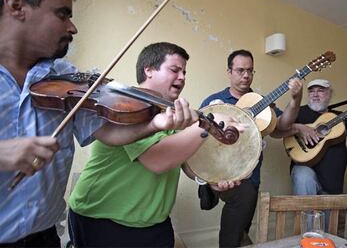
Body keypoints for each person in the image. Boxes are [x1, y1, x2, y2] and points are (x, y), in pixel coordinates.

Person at [0, 0, 196, 247]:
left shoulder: (65, 76)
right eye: (62, 14)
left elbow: (109, 133)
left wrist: (154, 124)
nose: (73, 26)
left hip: (44, 235)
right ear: (16, 7)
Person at [68, 42, 243, 247]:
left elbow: (183, 161)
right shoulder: (125, 106)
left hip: (154, 222)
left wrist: (207, 179)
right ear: (148, 70)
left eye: (184, 72)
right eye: (175, 70)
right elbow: (158, 160)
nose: (182, 77)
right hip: (103, 219)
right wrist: (210, 123)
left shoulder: (172, 110)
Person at [199, 49, 303, 247]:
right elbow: (200, 138)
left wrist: (296, 99)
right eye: (240, 70)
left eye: (250, 70)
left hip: (249, 173)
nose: (246, 75)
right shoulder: (215, 101)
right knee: (243, 197)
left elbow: (282, 126)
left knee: (242, 222)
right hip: (220, 171)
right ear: (229, 72)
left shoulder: (261, 102)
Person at [273, 78, 347, 196]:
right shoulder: (298, 112)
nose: (315, 94)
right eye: (311, 91)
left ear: (330, 94)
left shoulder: (339, 117)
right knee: (303, 175)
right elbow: (278, 129)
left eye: (320, 90)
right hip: (305, 174)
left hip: (332, 184)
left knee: (328, 213)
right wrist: (299, 128)